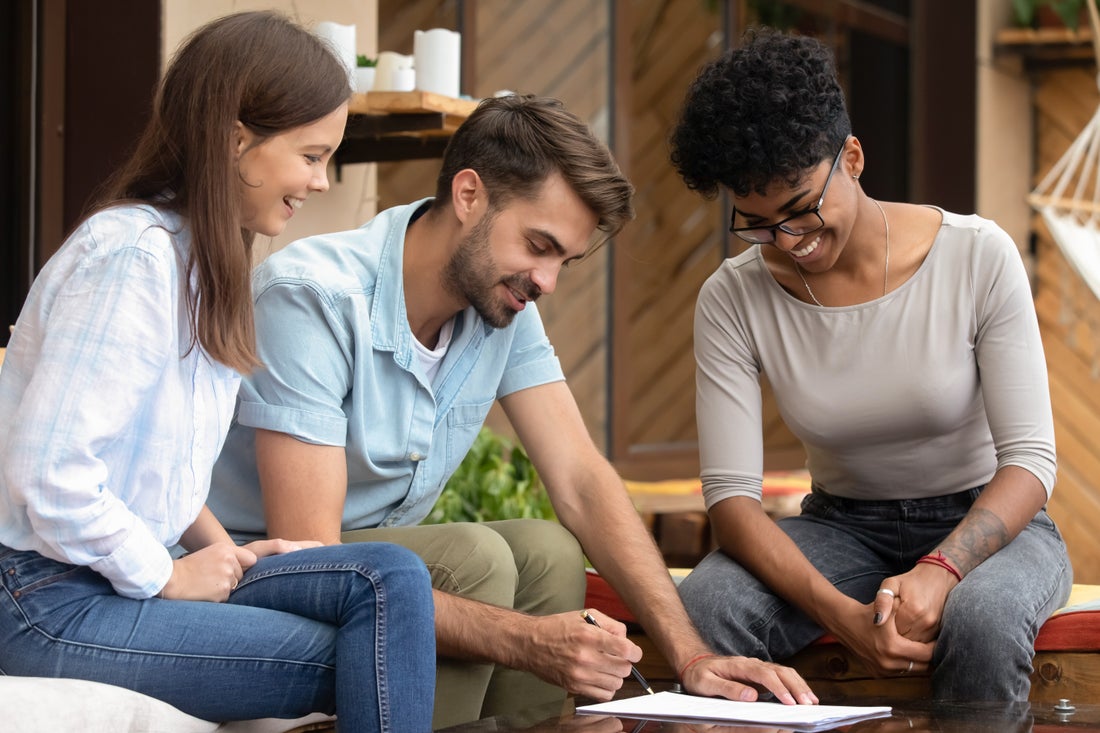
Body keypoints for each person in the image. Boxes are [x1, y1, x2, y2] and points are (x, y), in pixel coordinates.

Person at [206, 92, 818, 728]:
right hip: (252, 570)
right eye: (539, 244)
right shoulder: (314, 297)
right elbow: (312, 552)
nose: (547, 280)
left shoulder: (502, 303)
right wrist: (525, 640)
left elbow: (580, 478)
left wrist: (690, 655)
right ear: (469, 196)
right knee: (477, 557)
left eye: (564, 261)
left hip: (362, 569)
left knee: (546, 549)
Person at [0, 12, 435, 730]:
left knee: (389, 577)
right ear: (238, 141)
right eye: (311, 155)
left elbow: (145, 462)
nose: (322, 182)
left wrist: (221, 549)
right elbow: (48, 471)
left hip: (109, 576)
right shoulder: (131, 259)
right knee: (369, 652)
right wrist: (166, 573)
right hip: (45, 601)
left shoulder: (198, 267)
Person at [668, 28, 1072, 702]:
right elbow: (733, 505)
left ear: (852, 157)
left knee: (984, 617)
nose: (789, 243)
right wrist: (845, 618)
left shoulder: (976, 257)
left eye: (801, 210)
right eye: (759, 224)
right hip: (840, 525)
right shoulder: (732, 297)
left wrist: (943, 567)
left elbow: (1031, 459)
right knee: (709, 603)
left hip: (985, 519)